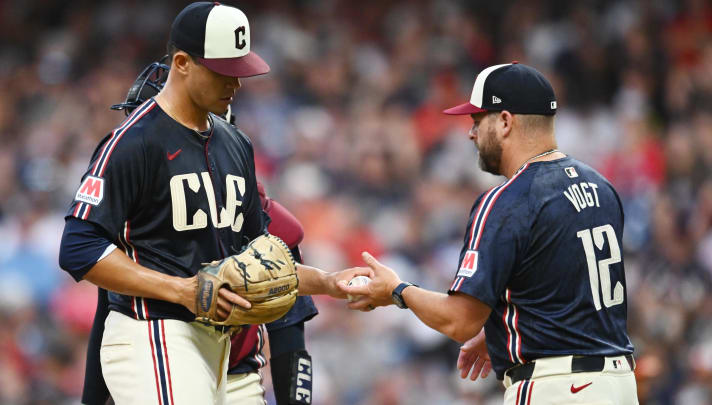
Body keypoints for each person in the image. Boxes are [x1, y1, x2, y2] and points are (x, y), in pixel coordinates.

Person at [59, 3, 353, 404]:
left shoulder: (236, 145)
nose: (235, 82)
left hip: (223, 351)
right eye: (223, 71)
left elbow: (261, 255)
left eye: (240, 70)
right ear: (181, 62)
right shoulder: (134, 141)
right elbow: (78, 247)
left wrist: (329, 283)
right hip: (155, 332)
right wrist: (182, 290)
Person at [340, 63, 639, 404]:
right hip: (618, 383)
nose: (471, 133)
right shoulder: (601, 186)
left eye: (477, 121)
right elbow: (569, 289)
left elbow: (460, 321)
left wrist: (397, 291)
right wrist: (508, 329)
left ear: (506, 121)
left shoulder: (508, 200)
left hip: (558, 388)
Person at [80, 60, 318, 405]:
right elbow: (108, 311)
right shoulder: (137, 206)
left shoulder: (262, 215)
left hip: (235, 374)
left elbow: (289, 332)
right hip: (163, 359)